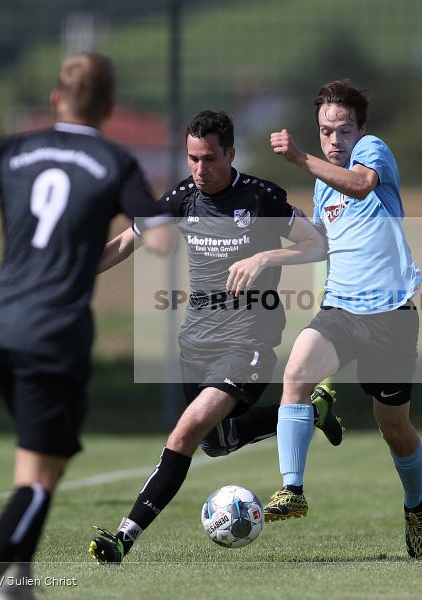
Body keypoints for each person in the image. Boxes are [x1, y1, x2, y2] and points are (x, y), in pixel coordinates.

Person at [0, 53, 168, 600]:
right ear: (110, 107)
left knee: (38, 461)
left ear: (53, 100)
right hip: (54, 337)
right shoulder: (115, 160)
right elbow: (158, 237)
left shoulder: (12, 148)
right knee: (41, 483)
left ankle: (20, 581)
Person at [88, 110, 342, 564]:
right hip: (196, 341)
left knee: (184, 432)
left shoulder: (261, 197)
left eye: (209, 159)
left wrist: (265, 257)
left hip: (248, 341)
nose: (199, 170)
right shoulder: (182, 198)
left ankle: (123, 537)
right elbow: (127, 241)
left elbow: (318, 243)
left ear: (229, 153)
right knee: (217, 442)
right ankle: (312, 408)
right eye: (192, 159)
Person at [264, 79, 422, 558]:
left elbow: (359, 187)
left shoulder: (373, 153)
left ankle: (417, 501)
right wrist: (272, 249)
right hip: (341, 308)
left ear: (362, 129)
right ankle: (292, 490)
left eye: (343, 130)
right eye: (324, 131)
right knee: (294, 373)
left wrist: (298, 157)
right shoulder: (321, 181)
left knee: (393, 428)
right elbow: (324, 244)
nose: (334, 140)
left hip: (390, 317)